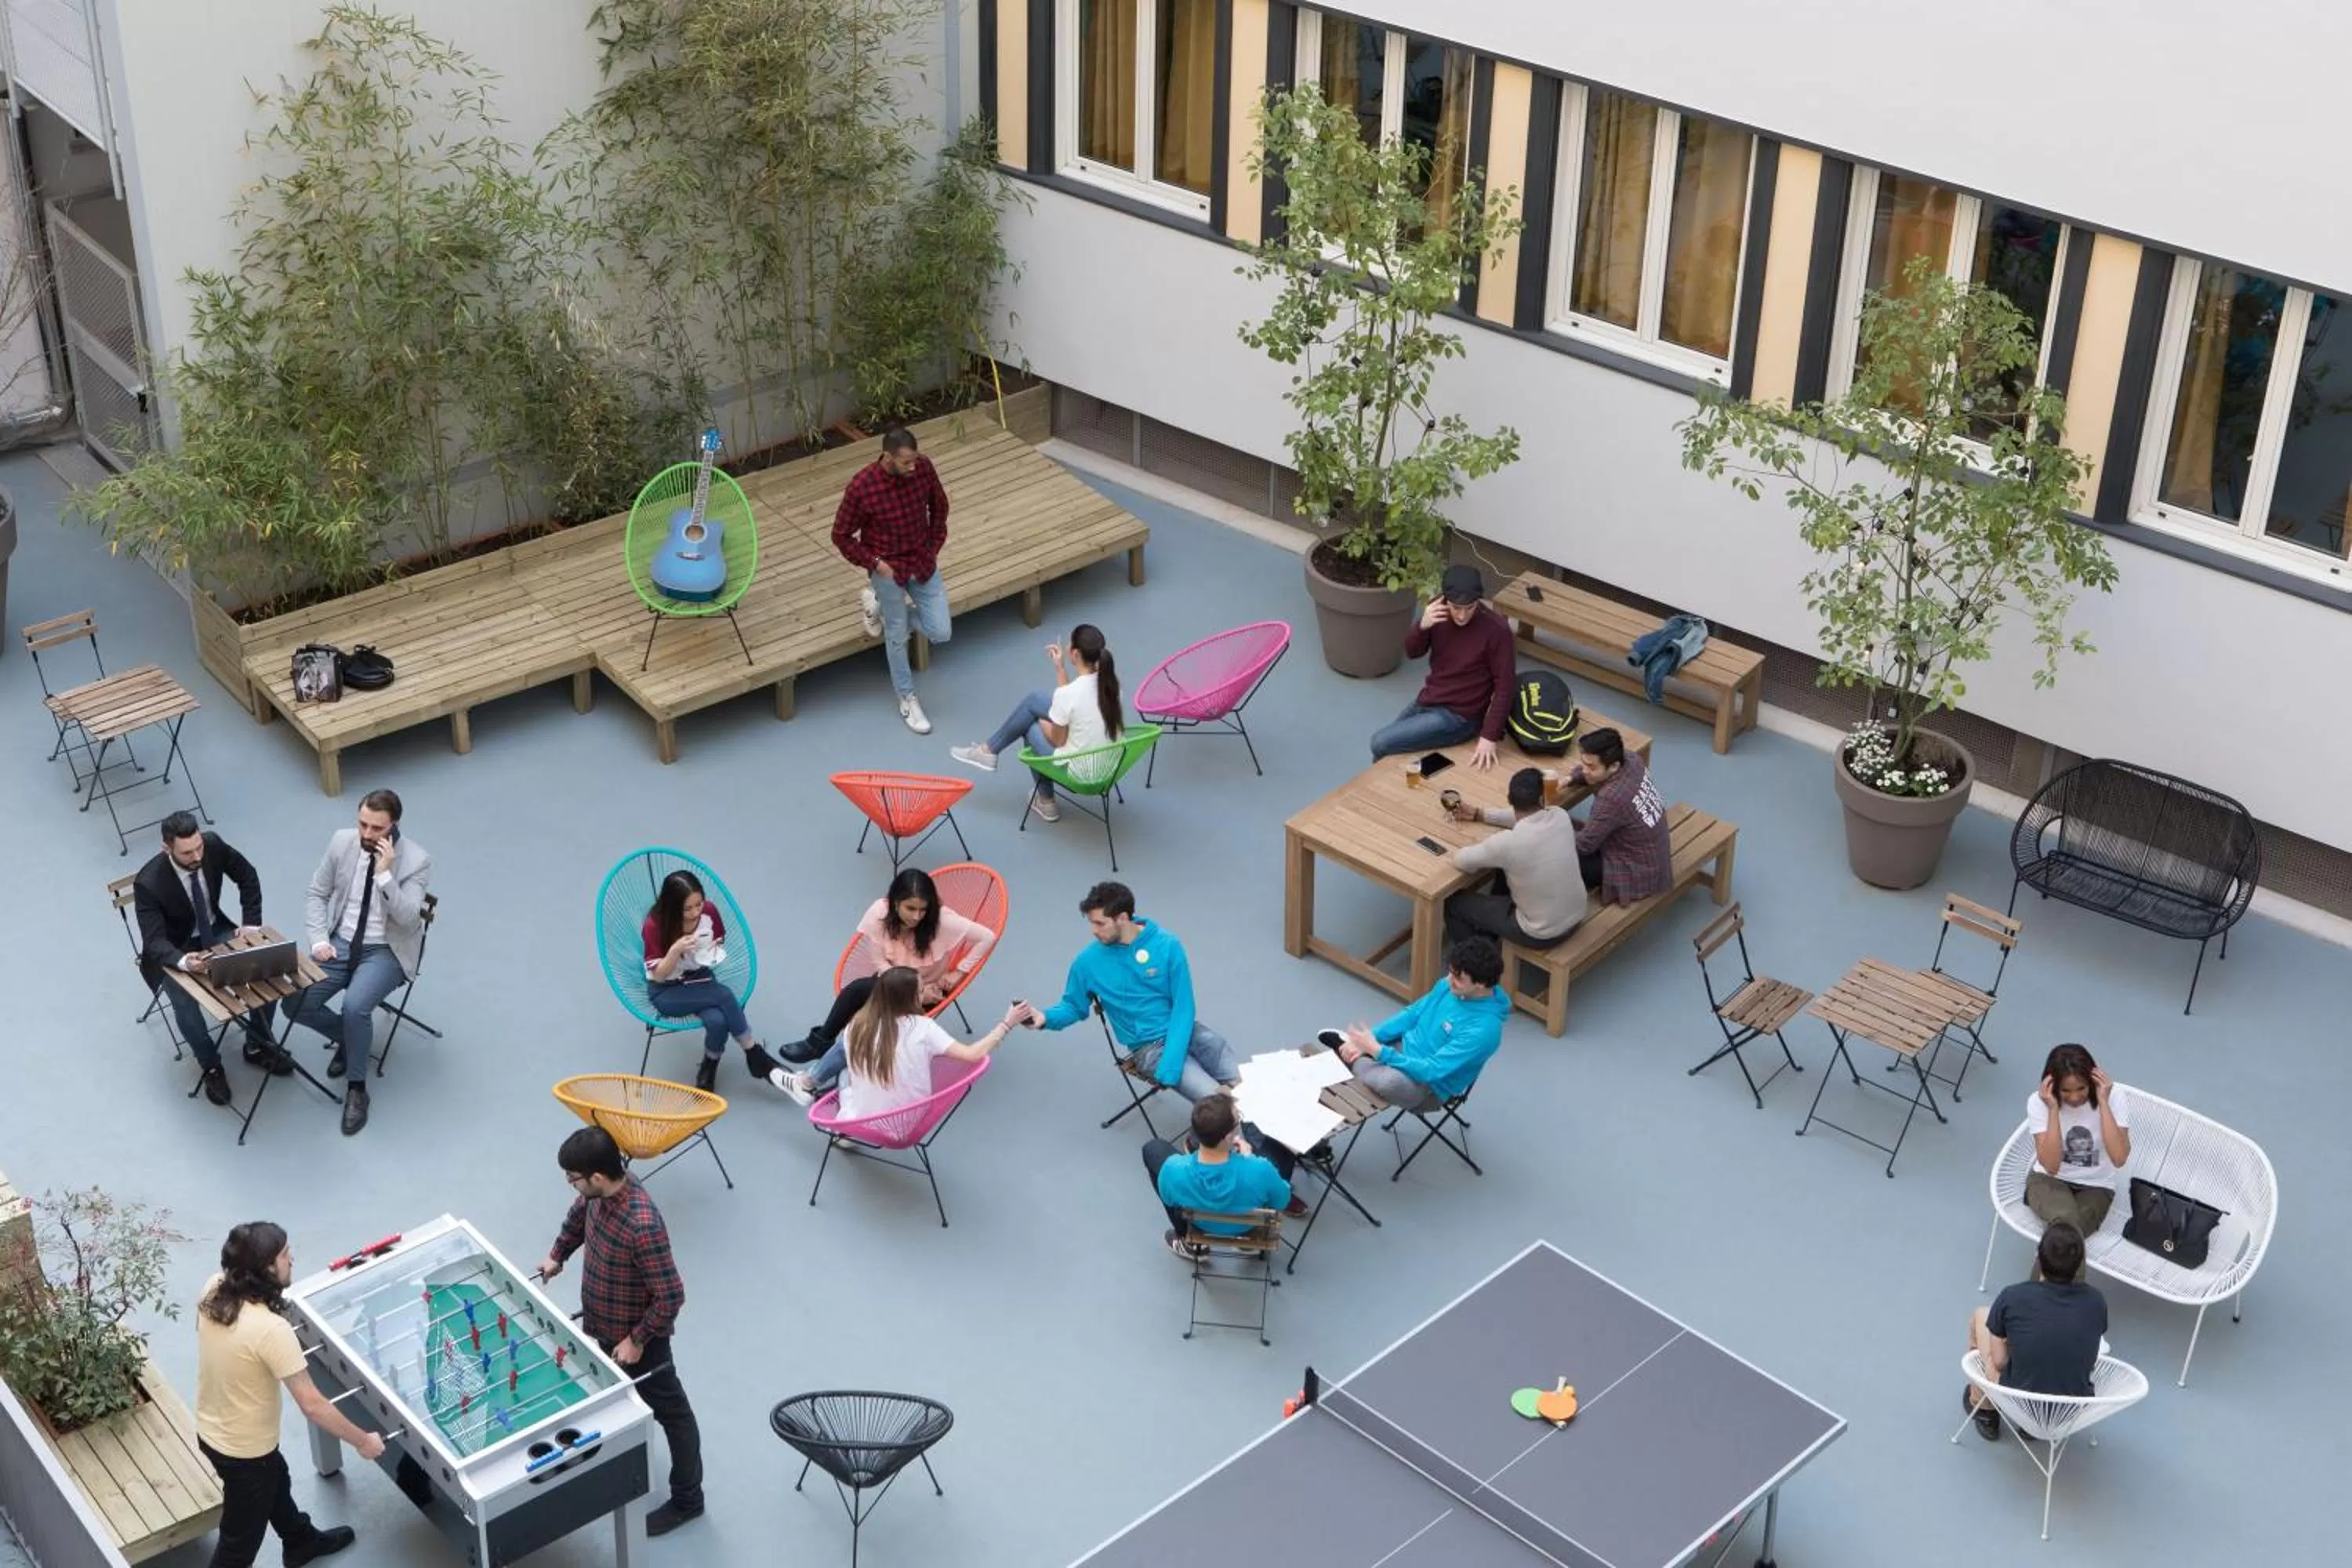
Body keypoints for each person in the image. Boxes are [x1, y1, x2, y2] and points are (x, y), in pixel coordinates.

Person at [539, 1128, 705, 1537]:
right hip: (602, 1327)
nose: (570, 1184)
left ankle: (688, 1500)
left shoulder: (642, 1225)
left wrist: (637, 1340)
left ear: (597, 1176)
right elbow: (580, 1216)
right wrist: (557, 1254)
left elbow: (671, 1296)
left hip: (638, 1345)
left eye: (573, 1177)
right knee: (610, 1400)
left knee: (675, 1416)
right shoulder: (598, 1195)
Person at [194, 1221, 381, 1567]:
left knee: (275, 1477)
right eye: (283, 1254)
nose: (291, 1258)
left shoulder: (214, 1288)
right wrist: (362, 1441)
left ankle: (299, 1541)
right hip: (246, 1453)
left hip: (212, 1432)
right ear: (266, 1268)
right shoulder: (271, 1330)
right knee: (237, 1547)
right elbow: (312, 1405)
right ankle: (299, 1540)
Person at [285, 789, 431, 1137]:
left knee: (355, 1007)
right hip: (340, 943)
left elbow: (410, 920)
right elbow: (317, 893)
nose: (366, 834)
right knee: (293, 1002)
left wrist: (384, 876)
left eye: (376, 829)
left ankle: (357, 1088)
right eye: (362, 824)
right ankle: (352, 1041)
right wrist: (319, 940)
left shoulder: (417, 860)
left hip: (385, 951)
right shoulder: (341, 842)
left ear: (393, 826)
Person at [1021, 881, 1238, 1102]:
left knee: (1242, 1083)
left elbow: (1184, 1006)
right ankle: (1215, 1132)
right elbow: (1073, 1007)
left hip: (1185, 1030)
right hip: (1150, 1050)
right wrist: (1044, 1018)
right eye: (1091, 923)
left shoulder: (1168, 945)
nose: (1093, 931)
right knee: (1222, 1104)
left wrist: (1173, 1061)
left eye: (1100, 923)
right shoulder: (1087, 963)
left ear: (1122, 918)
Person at [132, 811, 284, 1105]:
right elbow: (154, 942)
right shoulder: (147, 884)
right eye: (187, 853)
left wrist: (250, 925)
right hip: (176, 947)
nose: (196, 855)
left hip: (216, 930)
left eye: (198, 847)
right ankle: (210, 1064)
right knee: (183, 999)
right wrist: (184, 962)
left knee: (266, 969)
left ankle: (256, 1045)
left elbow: (248, 877)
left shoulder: (213, 846)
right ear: (167, 849)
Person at [779, 866, 997, 1065]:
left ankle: (821, 1047)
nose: (917, 917)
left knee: (863, 1004)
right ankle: (833, 1058)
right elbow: (880, 962)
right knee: (862, 1001)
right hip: (893, 979)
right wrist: (907, 988)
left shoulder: (940, 921)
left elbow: (988, 937)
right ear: (895, 903)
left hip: (928, 991)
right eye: (910, 908)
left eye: (923, 909)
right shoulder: (880, 914)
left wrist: (957, 974)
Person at [833, 426, 953, 735]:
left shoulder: (923, 467)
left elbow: (940, 506)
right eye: (906, 463)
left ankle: (879, 607)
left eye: (914, 460)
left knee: (941, 631)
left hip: (922, 561)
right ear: (887, 456)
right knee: (897, 634)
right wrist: (875, 564)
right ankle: (907, 698)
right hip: (887, 567)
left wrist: (933, 545)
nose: (913, 467)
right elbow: (841, 536)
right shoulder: (862, 487)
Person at [769, 966, 1023, 1109]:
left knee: (846, 1066)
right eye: (922, 991)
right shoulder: (925, 1027)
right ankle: (807, 1082)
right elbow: (972, 1054)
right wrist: (1006, 1023)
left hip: (865, 1119)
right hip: (912, 1116)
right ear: (911, 998)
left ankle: (807, 1083)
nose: (926, 995)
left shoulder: (859, 1027)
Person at [948, 623, 1125, 824]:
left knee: (1031, 726)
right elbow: (1068, 703)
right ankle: (988, 751)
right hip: (1108, 765)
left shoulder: (1070, 694)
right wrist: (1059, 668)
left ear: (1075, 654)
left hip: (1082, 772)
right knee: (1035, 700)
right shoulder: (1111, 686)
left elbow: (1059, 740)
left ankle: (1046, 800)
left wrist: (1043, 721)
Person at [1963, 1221, 2107, 1439]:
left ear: (2038, 1258)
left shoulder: (2012, 1297)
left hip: (2019, 1402)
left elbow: (2000, 1362)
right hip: (2068, 1409)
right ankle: (2030, 1428)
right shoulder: (2096, 1302)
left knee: (1982, 1315)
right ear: (2079, 1265)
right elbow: (2091, 1360)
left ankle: (1985, 1409)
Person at [641, 869, 782, 1093]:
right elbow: (658, 975)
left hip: (699, 976)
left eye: (699, 904)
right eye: (687, 908)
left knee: (717, 1021)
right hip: (666, 990)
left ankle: (710, 1063)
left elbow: (718, 938)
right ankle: (754, 1054)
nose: (696, 912)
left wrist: (712, 947)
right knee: (724, 995)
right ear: (671, 907)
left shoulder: (708, 912)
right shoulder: (654, 925)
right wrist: (676, 949)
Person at [1334, 935, 1509, 1111]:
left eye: (1458, 978)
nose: (1449, 980)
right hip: (1402, 1049)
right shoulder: (1450, 985)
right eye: (1450, 972)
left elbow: (1431, 1070)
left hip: (1429, 1084)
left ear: (1480, 984)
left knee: (1389, 1083)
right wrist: (1371, 1037)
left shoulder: (1484, 1031)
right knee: (1356, 1050)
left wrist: (1377, 1051)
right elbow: (1412, 1015)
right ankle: (1358, 1058)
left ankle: (1356, 1060)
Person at [1368, 564, 1513, 769]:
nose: (1462, 615)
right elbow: (1412, 652)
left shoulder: (1497, 630)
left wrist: (1489, 736)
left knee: (1380, 743)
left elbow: (1505, 685)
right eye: (1456, 608)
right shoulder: (1436, 610)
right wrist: (1422, 626)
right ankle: (1378, 786)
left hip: (1460, 717)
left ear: (1479, 601)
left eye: (1470, 608)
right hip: (1429, 699)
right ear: (1446, 599)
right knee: (1388, 749)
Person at [1443, 767, 1588, 949]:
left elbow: (1462, 862)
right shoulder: (1560, 816)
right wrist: (1480, 814)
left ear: (1510, 800)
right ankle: (1490, 937)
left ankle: (1478, 963)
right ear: (1542, 799)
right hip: (1576, 915)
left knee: (1454, 903)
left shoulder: (1507, 844)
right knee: (1505, 869)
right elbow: (1529, 819)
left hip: (1541, 933)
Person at [1144, 1094, 1294, 1261]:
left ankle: (1190, 1243)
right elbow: (1282, 1201)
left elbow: (1169, 1200)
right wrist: (1250, 1159)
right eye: (1238, 1121)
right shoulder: (1260, 1169)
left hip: (1198, 1225)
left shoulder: (1174, 1169)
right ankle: (1248, 1245)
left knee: (1153, 1148)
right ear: (1229, 1136)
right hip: (1247, 1228)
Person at [2025, 1043, 2132, 1236]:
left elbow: (2119, 1158)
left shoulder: (2115, 1097)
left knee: (2065, 1234)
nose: (2074, 1098)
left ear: (2092, 1081)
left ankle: (2048, 1254)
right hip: (2049, 1181)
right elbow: (2051, 1166)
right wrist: (2053, 1109)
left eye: (2081, 1088)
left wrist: (2103, 1102)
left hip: (2097, 1187)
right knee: (2068, 1232)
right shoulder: (2038, 1102)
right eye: (2065, 1091)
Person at [1564, 728, 1671, 906]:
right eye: (1583, 763)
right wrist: (1569, 779)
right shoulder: (1631, 760)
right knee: (1569, 827)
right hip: (1653, 853)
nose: (1584, 770)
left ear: (1613, 766)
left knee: (1559, 850)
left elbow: (1584, 846)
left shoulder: (1611, 797)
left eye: (1591, 767)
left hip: (1636, 870)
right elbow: (1591, 772)